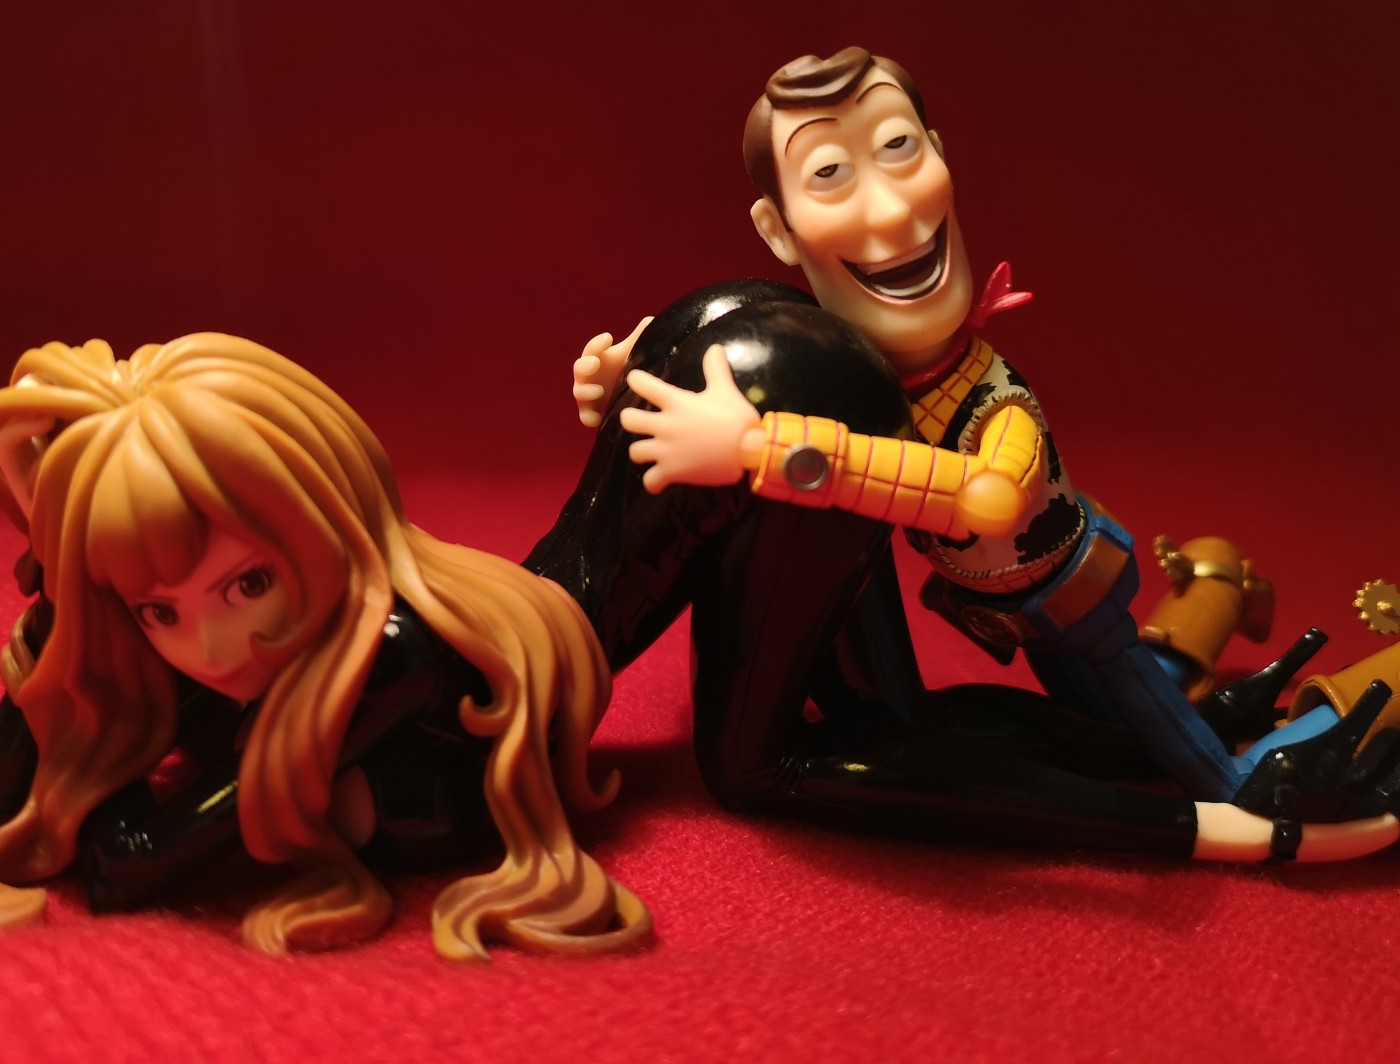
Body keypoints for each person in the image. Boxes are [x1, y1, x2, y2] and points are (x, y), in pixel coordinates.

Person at [552, 47, 1400, 855]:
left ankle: (1261, 747)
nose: (893, 211)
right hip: (1001, 607)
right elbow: (787, 366)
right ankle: (1216, 592)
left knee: (1171, 734)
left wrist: (755, 446)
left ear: (941, 155)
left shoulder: (1000, 404)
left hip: (1073, 599)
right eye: (831, 172)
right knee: (1106, 721)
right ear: (776, 229)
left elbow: (983, 499)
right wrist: (634, 378)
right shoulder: (863, 359)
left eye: (899, 149)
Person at [0, 333, 649, 961]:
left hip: (415, 804)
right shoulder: (222, 653)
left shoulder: (389, 652)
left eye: (250, 582)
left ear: (325, 520)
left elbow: (125, 865)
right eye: (155, 609)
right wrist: (67, 584)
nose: (208, 645)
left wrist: (83, 754)